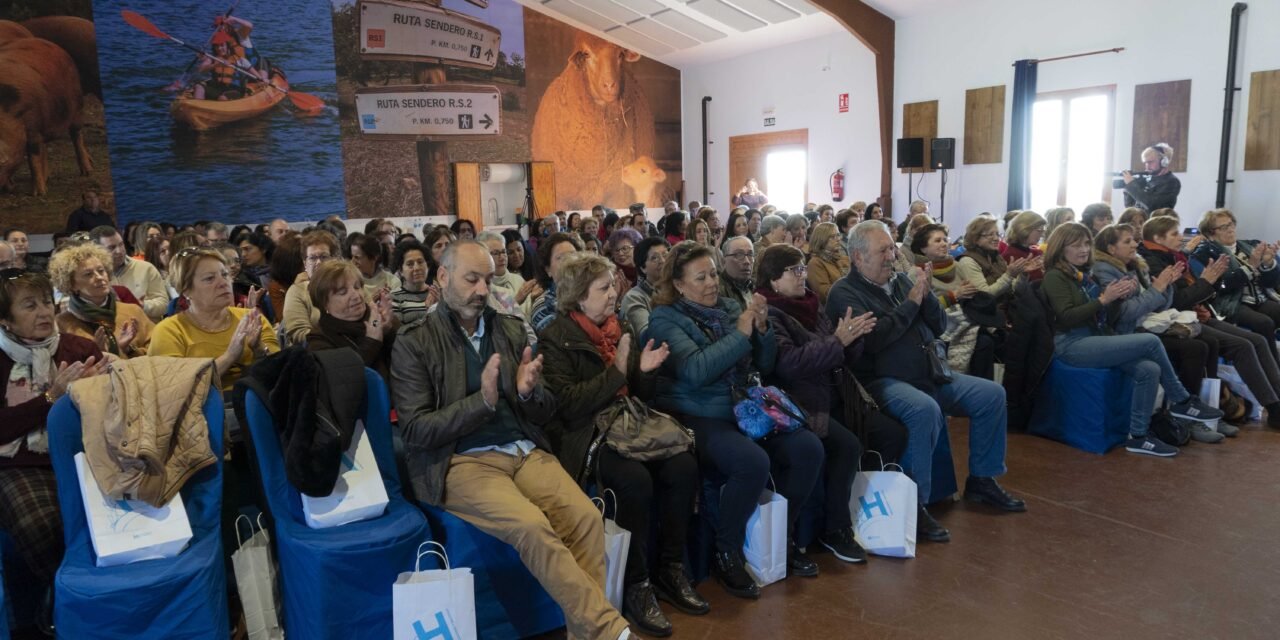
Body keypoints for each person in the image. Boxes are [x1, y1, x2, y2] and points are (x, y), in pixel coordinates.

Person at [390, 240, 632, 640]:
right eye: (472, 279)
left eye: (487, 280)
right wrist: (481, 403)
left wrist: (526, 393)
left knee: (587, 520)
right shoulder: (415, 341)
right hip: (462, 461)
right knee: (532, 526)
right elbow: (415, 430)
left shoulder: (509, 328)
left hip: (523, 451)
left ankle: (586, 633)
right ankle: (610, 630)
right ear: (444, 277)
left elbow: (545, 410)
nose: (482, 290)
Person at [827, 221, 1025, 543]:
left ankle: (982, 479)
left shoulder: (901, 280)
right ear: (858, 257)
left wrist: (927, 294)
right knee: (924, 410)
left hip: (930, 373)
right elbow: (875, 341)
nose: (892, 256)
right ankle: (913, 505)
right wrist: (911, 305)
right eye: (883, 251)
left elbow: (940, 325)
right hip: (881, 381)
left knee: (991, 394)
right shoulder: (845, 293)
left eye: (892, 248)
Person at [539, 253, 704, 635]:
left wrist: (644, 372)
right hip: (586, 434)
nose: (614, 293)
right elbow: (568, 405)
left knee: (683, 465)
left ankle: (671, 567)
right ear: (580, 296)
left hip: (629, 422)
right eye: (604, 288)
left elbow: (640, 396)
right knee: (634, 480)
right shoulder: (556, 336)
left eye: (613, 285)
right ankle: (636, 583)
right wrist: (616, 373)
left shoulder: (620, 326)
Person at [644, 243, 823, 594]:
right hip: (699, 411)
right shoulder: (665, 319)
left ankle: (782, 538)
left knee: (808, 447)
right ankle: (725, 552)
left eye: (713, 273)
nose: (712, 282)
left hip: (743, 405)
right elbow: (696, 370)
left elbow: (765, 363)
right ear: (679, 285)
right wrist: (741, 334)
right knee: (751, 462)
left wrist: (761, 328)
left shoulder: (728, 306)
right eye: (701, 277)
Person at [755, 245, 909, 563]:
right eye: (794, 270)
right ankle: (831, 529)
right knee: (846, 445)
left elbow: (839, 352)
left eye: (802, 268)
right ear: (773, 281)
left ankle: (877, 516)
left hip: (834, 391)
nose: (803, 275)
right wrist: (838, 341)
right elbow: (790, 365)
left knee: (891, 433)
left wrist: (853, 340)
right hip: (798, 402)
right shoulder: (770, 312)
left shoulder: (812, 304)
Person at [1041, 223, 1223, 457]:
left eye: (1087, 243)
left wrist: (1117, 297)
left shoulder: (1082, 275)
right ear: (1060, 248)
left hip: (1095, 338)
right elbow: (1066, 318)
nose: (1084, 249)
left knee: (1149, 369)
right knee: (1149, 341)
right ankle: (1182, 400)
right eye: (1076, 245)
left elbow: (1105, 315)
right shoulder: (1055, 276)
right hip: (1071, 344)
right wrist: (1104, 300)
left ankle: (1138, 436)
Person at [0, 270, 104, 627]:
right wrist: (51, 398)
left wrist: (102, 388)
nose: (44, 312)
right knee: (45, 525)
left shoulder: (80, 348)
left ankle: (111, 600)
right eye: (29, 305)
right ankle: (73, 604)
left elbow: (112, 412)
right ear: (5, 319)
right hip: (18, 465)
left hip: (86, 455)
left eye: (46, 301)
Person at [1139, 217, 1280, 430]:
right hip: (1179, 319)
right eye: (1175, 234)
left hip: (1197, 313)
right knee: (1245, 343)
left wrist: (1203, 299)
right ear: (1157, 238)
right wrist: (1208, 283)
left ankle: (1276, 399)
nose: (1181, 238)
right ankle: (1273, 409)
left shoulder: (1174, 256)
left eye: (1232, 224)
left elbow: (1191, 294)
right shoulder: (1155, 261)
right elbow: (1179, 299)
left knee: (1258, 340)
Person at [1091, 224, 1218, 434]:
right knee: (1194, 348)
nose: (1135, 244)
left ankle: (1191, 408)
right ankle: (1184, 410)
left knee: (1207, 342)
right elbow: (1124, 314)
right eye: (1127, 241)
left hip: (1147, 323)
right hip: (1128, 330)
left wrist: (1165, 285)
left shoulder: (1135, 265)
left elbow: (1161, 305)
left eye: (1134, 239)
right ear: (1111, 249)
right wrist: (1157, 289)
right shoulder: (1104, 270)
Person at [150, 247, 279, 391]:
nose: (223, 283)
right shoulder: (169, 331)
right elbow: (174, 389)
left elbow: (281, 372)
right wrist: (229, 356)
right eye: (210, 279)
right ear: (186, 289)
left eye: (224, 275)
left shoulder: (251, 319)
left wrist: (259, 348)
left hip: (257, 400)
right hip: (203, 409)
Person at [1189, 209, 1280, 362]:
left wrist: (1268, 264)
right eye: (1224, 227)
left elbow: (1270, 283)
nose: (1231, 229)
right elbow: (1221, 287)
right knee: (1264, 323)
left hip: (1259, 298)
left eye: (1231, 224)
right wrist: (1250, 267)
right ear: (1210, 233)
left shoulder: (1251, 245)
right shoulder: (1203, 254)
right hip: (1231, 303)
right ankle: (1273, 368)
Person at [49, 244, 152, 358]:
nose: (99, 277)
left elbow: (157, 350)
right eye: (88, 274)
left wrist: (127, 349)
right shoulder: (62, 324)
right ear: (71, 284)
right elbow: (66, 365)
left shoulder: (133, 311)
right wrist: (97, 353)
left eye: (101, 271)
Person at [307, 260, 396, 380]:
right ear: (324, 304)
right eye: (343, 292)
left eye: (357, 287)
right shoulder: (319, 339)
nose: (356, 295)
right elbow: (342, 380)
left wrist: (389, 330)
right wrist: (371, 342)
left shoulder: (377, 316)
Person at [92, 225, 170, 322]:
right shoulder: (93, 277)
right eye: (111, 247)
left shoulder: (145, 268)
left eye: (121, 244)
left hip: (149, 330)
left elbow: (164, 304)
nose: (119, 251)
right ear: (96, 251)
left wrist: (142, 306)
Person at [957, 216, 1039, 299]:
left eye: (997, 234)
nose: (996, 238)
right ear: (975, 239)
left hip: (1006, 307)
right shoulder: (967, 261)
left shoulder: (996, 256)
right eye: (990, 234)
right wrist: (1009, 275)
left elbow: (1015, 291)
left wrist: (1023, 274)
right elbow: (984, 296)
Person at [284, 230, 340, 346]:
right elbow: (298, 333)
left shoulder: (348, 286)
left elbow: (371, 320)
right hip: (314, 353)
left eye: (324, 257)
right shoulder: (297, 292)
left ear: (335, 260)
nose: (319, 262)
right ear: (305, 263)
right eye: (312, 258)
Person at [529, 233, 582, 331]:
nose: (570, 261)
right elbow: (563, 341)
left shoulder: (589, 293)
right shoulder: (543, 306)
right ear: (548, 269)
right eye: (561, 258)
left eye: (574, 255)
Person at [619, 237, 669, 336]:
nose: (663, 261)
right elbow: (648, 335)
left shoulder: (680, 287)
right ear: (642, 268)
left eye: (665, 255)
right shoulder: (634, 298)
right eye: (654, 258)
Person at [390, 239, 436, 325]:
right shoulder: (395, 297)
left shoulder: (436, 294)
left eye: (420, 262)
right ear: (401, 271)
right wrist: (430, 311)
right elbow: (401, 333)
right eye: (410, 264)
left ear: (428, 266)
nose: (416, 268)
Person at [1123, 143, 1180, 212]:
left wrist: (1131, 185)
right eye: (1145, 163)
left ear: (1164, 162)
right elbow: (1130, 206)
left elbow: (1152, 206)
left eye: (1150, 162)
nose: (1147, 166)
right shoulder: (1148, 179)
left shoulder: (1171, 182)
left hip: (1157, 222)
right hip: (1141, 222)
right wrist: (1127, 188)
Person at [806, 222, 849, 305]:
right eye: (833, 237)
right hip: (836, 306)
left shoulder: (843, 258)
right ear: (822, 240)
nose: (838, 239)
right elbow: (824, 294)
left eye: (838, 235)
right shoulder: (815, 263)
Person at [346, 232, 402, 296]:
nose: (352, 262)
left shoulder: (392, 281)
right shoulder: (349, 281)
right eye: (352, 257)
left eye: (357, 257)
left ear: (374, 258)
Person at [1001, 211, 1048, 282]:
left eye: (1043, 230)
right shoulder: (1010, 256)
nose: (1042, 235)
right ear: (1024, 229)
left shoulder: (1037, 253)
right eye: (1039, 230)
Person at [718, 236, 755, 311]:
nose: (747, 261)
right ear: (723, 261)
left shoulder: (758, 286)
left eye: (750, 255)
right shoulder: (717, 291)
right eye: (739, 255)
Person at [606, 228, 642, 299]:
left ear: (636, 248)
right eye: (616, 250)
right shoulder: (612, 274)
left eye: (625, 248)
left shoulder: (644, 269)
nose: (620, 253)